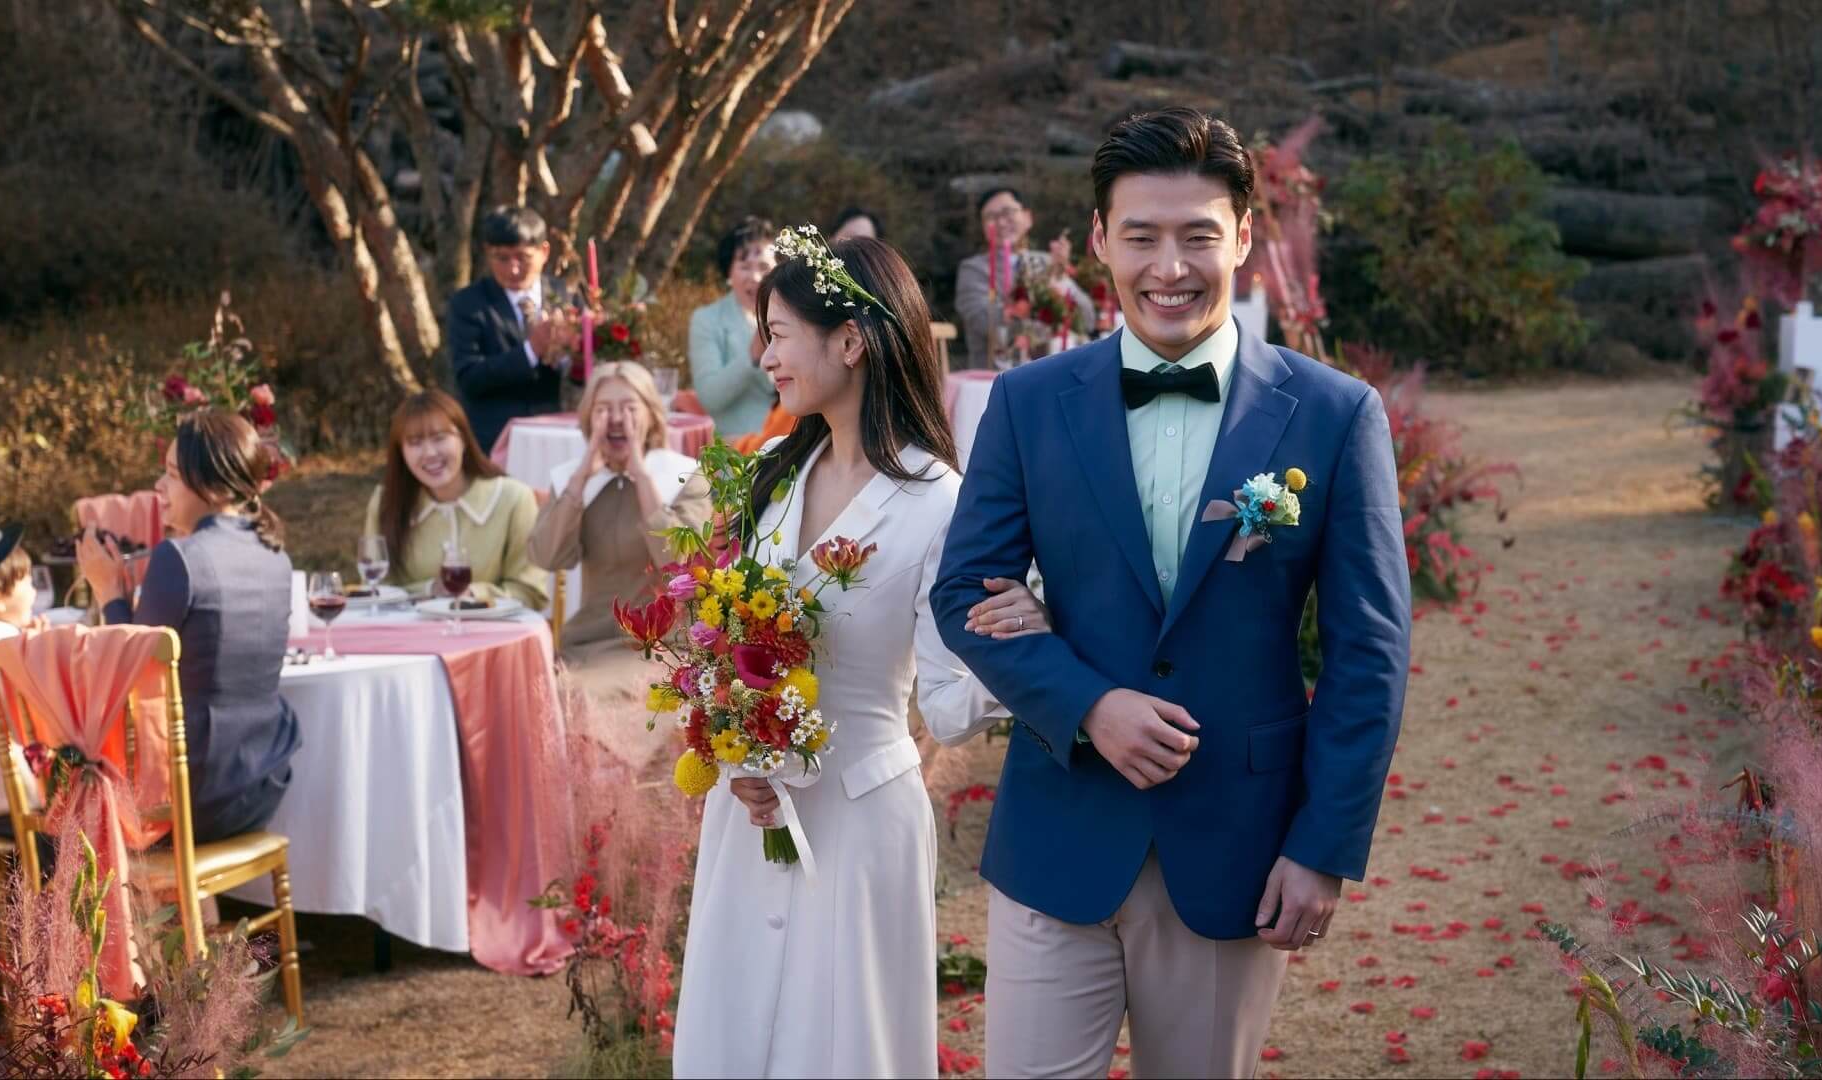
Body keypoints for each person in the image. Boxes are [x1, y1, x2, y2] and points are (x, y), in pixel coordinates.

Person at [931, 107, 1411, 1079]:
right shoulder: (1028, 402)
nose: (1170, 267)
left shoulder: (1334, 414)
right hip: (1056, 831)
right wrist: (1089, 703)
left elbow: (1369, 652)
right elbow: (964, 592)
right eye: (1141, 236)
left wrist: (1323, 844)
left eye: (1198, 235)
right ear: (1099, 241)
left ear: (1244, 235)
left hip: (1236, 845)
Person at [670, 234, 1047, 1078]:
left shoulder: (940, 504)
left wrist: (1024, 635)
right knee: (736, 1035)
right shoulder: (772, 475)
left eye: (778, 335)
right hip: (749, 815)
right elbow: (730, 638)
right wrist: (735, 742)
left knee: (843, 1043)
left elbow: (947, 703)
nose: (764, 357)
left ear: (850, 341)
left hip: (861, 820)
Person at [78, 412, 304, 842]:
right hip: (263, 786)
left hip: (191, 801)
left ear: (213, 487)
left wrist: (109, 593)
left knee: (52, 814)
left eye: (172, 475)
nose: (158, 487)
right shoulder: (276, 555)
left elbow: (131, 675)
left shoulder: (179, 557)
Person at [527, 361, 710, 705]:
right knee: (544, 694)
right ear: (588, 419)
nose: (615, 419)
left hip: (663, 647)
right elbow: (546, 556)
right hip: (589, 644)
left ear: (651, 415)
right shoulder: (576, 481)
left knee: (592, 699)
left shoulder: (684, 477)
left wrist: (642, 476)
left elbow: (680, 563)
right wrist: (579, 480)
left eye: (628, 408)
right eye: (603, 409)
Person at [363, 390, 549, 609]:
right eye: (415, 442)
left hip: (491, 629)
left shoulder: (514, 498)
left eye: (439, 438)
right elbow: (375, 588)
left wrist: (473, 595)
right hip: (406, 629)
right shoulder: (385, 501)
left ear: (464, 440)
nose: (430, 453)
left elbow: (530, 592)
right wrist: (430, 590)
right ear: (401, 452)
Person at [448, 205, 583, 452]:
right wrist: (531, 351)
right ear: (488, 253)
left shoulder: (566, 294)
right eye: (502, 258)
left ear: (544, 252)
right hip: (495, 440)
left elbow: (584, 374)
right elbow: (469, 378)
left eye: (523, 257)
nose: (513, 268)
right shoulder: (468, 304)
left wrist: (578, 353)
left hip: (558, 433)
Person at [953, 186, 1096, 370]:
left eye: (1007, 212)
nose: (1001, 222)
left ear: (1028, 218)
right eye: (990, 217)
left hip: (1055, 369)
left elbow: (1088, 319)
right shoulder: (973, 269)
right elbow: (982, 320)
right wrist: (1021, 309)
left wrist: (1059, 279)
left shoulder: (1047, 263)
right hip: (996, 374)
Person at [688, 216, 779, 436]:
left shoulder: (793, 317)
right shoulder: (707, 320)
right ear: (728, 271)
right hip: (735, 447)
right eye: (745, 267)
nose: (756, 277)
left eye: (764, 267)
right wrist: (752, 355)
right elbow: (710, 397)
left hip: (790, 440)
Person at [0, 523, 46, 818]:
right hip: (14, 806)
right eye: (27, 581)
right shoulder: (6, 645)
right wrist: (41, 651)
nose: (35, 592)